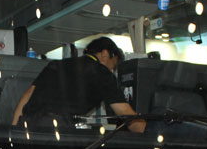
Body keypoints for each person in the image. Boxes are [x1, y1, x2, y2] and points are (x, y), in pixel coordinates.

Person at [12, 36, 146, 132]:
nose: (112, 70)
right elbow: (125, 113)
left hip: (26, 125)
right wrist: (144, 127)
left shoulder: (56, 64)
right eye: (114, 64)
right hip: (55, 130)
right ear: (105, 54)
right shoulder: (102, 74)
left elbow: (27, 95)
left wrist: (13, 130)